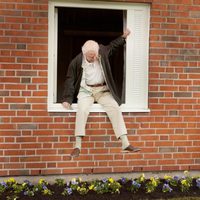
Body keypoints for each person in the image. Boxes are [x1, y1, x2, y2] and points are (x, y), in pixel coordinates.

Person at [62, 29, 141, 158]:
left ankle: (125, 144)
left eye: (94, 55)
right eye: (90, 56)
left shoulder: (102, 52)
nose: (93, 58)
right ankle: (77, 146)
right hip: (86, 91)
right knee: (82, 109)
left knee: (114, 107)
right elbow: (69, 80)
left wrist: (123, 37)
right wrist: (67, 99)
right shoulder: (76, 61)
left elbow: (113, 45)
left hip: (102, 90)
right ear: (84, 53)